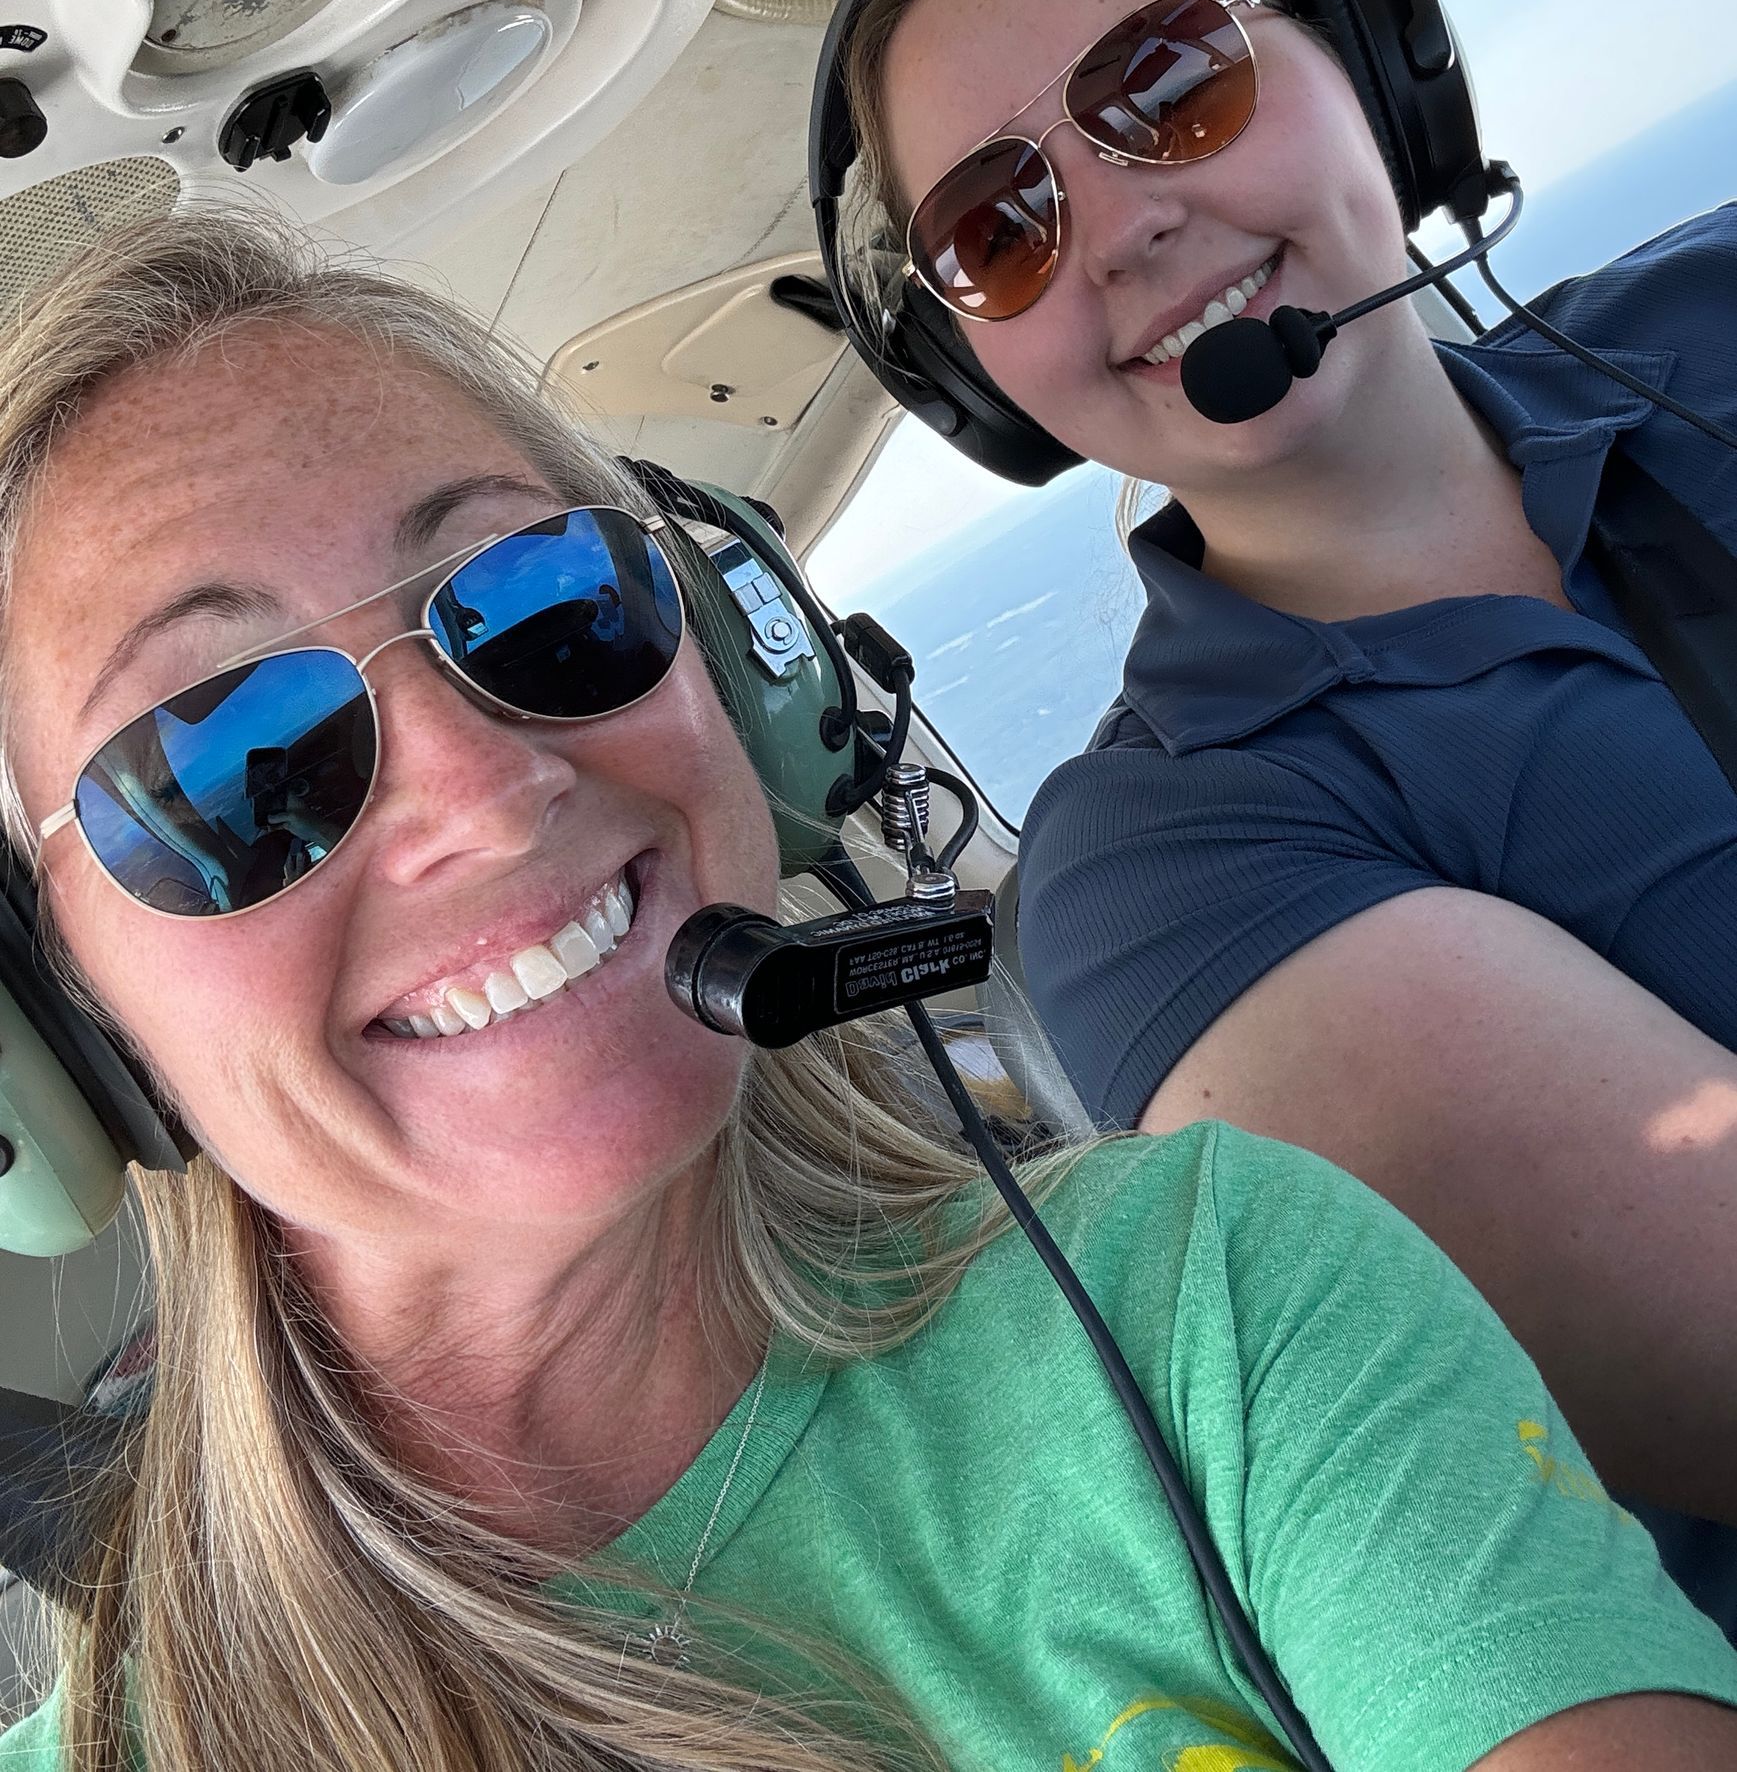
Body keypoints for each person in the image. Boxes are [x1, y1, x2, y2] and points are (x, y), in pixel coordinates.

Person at [1, 211, 1735, 1772]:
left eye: (541, 599)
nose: (480, 787)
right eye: (227, 767)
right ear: (56, 1012)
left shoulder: (1214, 1296)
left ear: (747, 684)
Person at [833, 0, 1737, 1610]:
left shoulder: (1707, 307)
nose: (1118, 223)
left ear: (1364, 59)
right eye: (994, 231)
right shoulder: (1167, 866)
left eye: (1164, 84)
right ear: (968, 380)